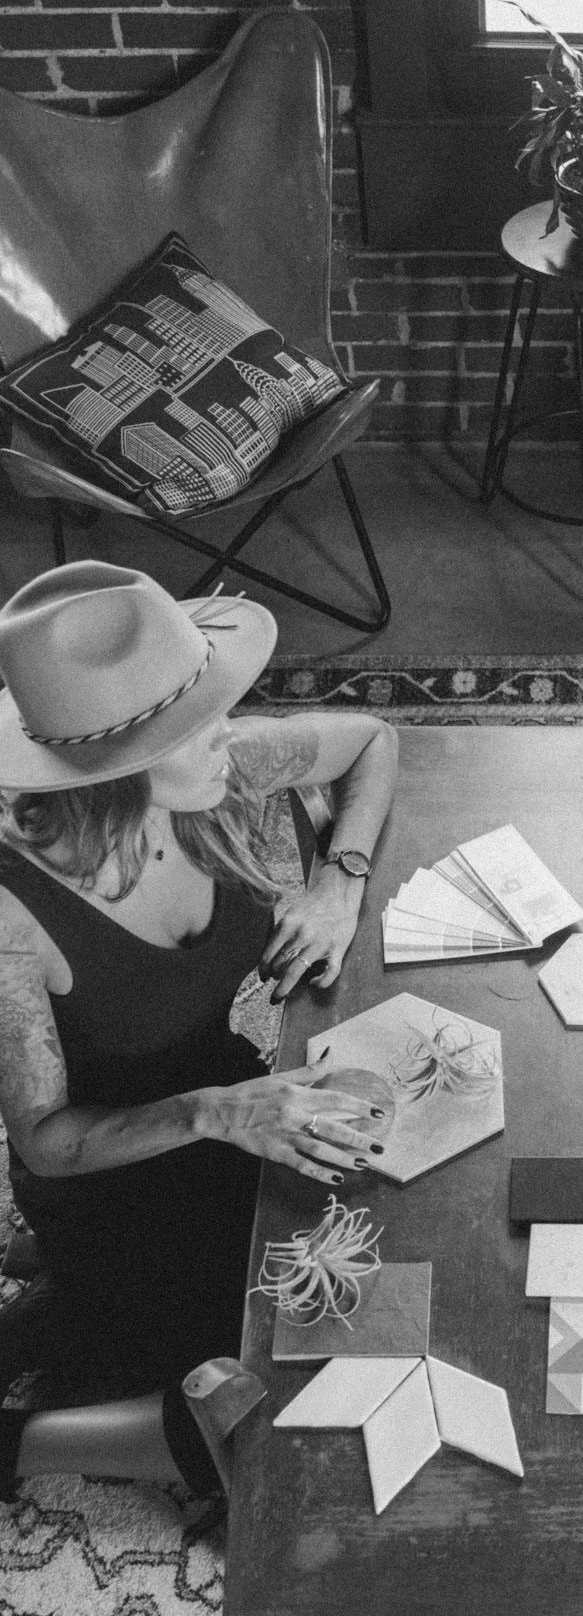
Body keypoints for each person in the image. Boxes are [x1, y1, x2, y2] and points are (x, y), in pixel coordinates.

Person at [0, 561, 399, 1498]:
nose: (233, 736)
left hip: (229, 1108)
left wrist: (338, 878)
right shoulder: (12, 918)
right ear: (113, 769)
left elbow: (375, 738)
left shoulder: (216, 774)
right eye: (197, 725)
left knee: (382, 1247)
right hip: (115, 1178)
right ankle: (29, 1440)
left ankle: (66, 1318)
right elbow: (47, 1143)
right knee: (289, 1400)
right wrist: (216, 1111)